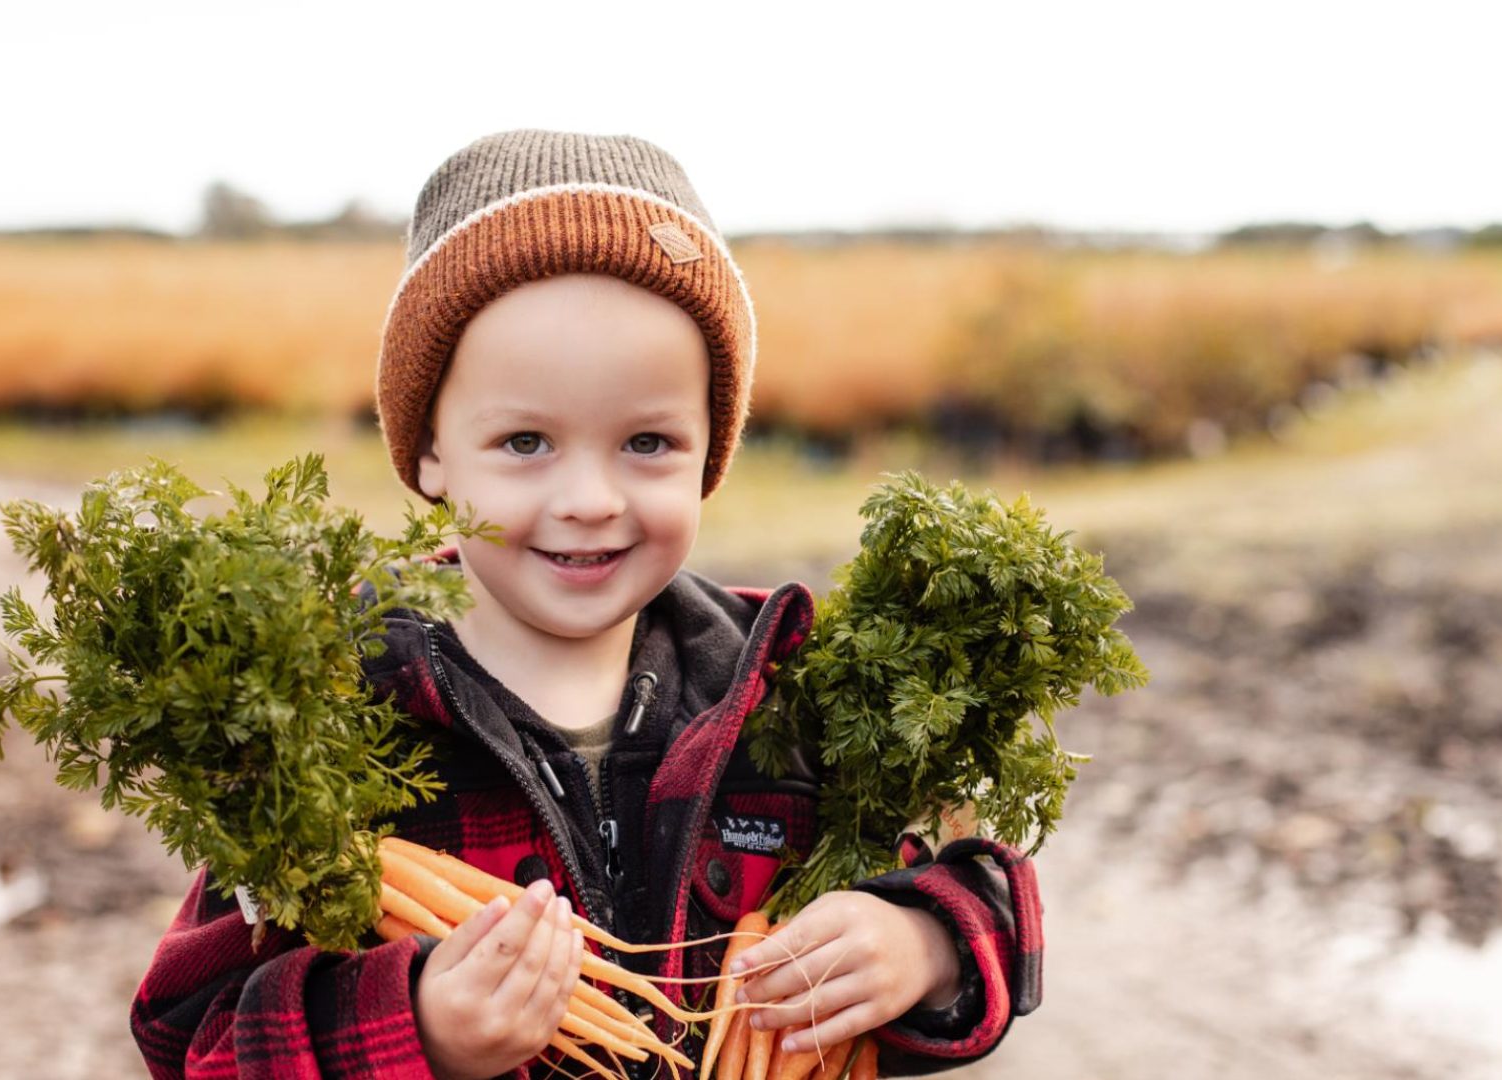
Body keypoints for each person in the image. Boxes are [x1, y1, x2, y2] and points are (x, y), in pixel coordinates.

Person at [130, 129, 1042, 1079]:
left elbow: (987, 892)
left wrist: (923, 945)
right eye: (526, 442)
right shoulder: (332, 713)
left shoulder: (780, 690)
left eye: (647, 443)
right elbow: (188, 1033)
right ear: (432, 453)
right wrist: (419, 1029)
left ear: (709, 455)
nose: (590, 499)